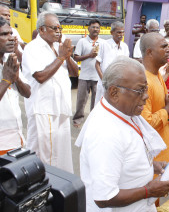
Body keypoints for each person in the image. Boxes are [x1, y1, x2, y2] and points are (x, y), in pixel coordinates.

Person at [76, 58, 169, 212]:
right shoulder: (105, 133)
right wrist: (149, 191)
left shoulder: (123, 111)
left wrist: (149, 166)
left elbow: (126, 154)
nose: (146, 96)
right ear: (114, 92)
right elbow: (104, 198)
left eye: (146, 89)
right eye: (139, 90)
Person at [22, 11, 78, 173]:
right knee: (44, 156)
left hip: (61, 109)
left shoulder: (58, 48)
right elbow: (40, 76)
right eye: (54, 28)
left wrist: (67, 56)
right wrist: (61, 58)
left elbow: (74, 73)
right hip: (44, 109)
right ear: (42, 30)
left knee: (61, 156)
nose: (59, 32)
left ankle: (59, 184)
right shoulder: (33, 48)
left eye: (60, 28)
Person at [141, 32, 169, 164]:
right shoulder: (144, 82)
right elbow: (146, 123)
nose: (168, 49)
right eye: (164, 47)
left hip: (164, 144)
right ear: (149, 52)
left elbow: (160, 105)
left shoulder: (158, 75)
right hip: (155, 159)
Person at [0, 17, 31, 155]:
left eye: (11, 33)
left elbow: (28, 93)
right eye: (4, 34)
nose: (11, 38)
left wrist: (16, 77)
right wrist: (6, 80)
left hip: (17, 139)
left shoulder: (9, 60)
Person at [72, 19, 104, 128]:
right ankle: (77, 120)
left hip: (97, 77)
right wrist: (89, 56)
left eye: (97, 27)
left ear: (100, 30)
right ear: (89, 29)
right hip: (84, 76)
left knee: (96, 101)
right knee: (81, 100)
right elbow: (75, 57)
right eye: (93, 27)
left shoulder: (103, 43)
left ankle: (93, 121)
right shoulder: (82, 42)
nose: (95, 29)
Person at [95, 21, 129, 104]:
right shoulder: (104, 44)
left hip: (119, 84)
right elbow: (97, 64)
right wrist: (104, 81)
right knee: (101, 105)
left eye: (123, 32)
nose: (121, 35)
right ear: (112, 32)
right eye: (118, 32)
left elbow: (126, 66)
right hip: (104, 83)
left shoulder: (124, 47)